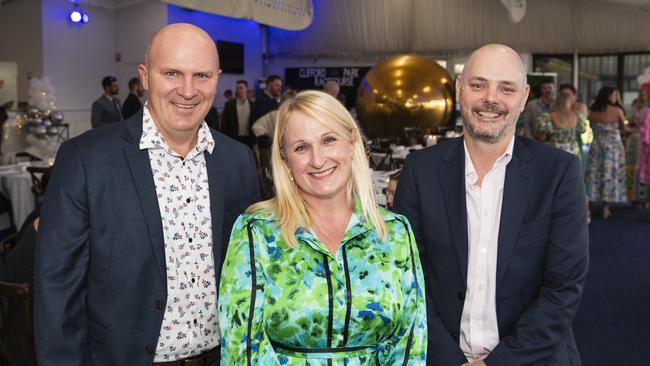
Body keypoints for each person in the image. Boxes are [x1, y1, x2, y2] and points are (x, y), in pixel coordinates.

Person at [34, 23, 260, 366]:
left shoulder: (238, 160)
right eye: (172, 73)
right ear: (145, 77)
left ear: (217, 78)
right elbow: (56, 290)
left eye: (201, 75)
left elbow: (249, 272)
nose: (187, 90)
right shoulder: (85, 159)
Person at [394, 44, 589, 366]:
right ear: (459, 89)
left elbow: (564, 287)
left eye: (506, 88)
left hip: (533, 358)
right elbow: (406, 279)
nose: (490, 99)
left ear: (524, 96)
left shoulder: (558, 173)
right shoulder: (420, 171)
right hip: (440, 356)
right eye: (478, 85)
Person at [219, 90, 427, 365]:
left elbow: (410, 342)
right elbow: (241, 351)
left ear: (352, 144)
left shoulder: (395, 232)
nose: (317, 160)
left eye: (328, 140)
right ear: (285, 160)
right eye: (301, 147)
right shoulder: (257, 233)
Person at [585, 86, 627, 219]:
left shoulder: (592, 111)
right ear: (609, 96)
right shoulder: (617, 110)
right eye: (614, 95)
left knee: (593, 174)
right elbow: (624, 129)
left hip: (596, 146)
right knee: (609, 175)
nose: (616, 98)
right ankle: (605, 208)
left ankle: (589, 207)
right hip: (613, 149)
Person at [534, 91, 587, 156]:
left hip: (554, 154)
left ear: (556, 102)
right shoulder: (577, 116)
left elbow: (541, 137)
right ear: (570, 103)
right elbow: (582, 130)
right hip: (573, 154)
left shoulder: (547, 117)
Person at [221, 80, 252, 146]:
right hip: (234, 138)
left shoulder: (252, 105)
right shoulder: (229, 105)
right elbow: (224, 124)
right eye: (237, 88)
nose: (239, 90)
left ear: (246, 89)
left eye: (241, 88)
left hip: (249, 139)